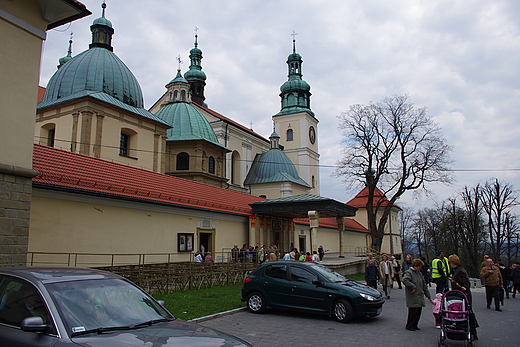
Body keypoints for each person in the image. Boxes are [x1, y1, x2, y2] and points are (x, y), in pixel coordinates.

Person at [449, 254, 478, 340]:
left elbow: (466, 282)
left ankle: (472, 332)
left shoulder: (460, 271)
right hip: (460, 295)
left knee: (466, 314)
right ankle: (463, 330)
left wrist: (464, 287)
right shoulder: (457, 270)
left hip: (463, 295)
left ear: (453, 262)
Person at [402, 258, 432, 331]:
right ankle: (410, 325)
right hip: (413, 295)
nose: (420, 268)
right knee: (413, 312)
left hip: (419, 295)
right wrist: (413, 287)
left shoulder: (419, 273)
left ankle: (415, 325)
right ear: (416, 266)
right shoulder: (409, 273)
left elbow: (424, 285)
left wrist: (428, 295)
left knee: (418, 311)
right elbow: (405, 280)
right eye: (419, 267)